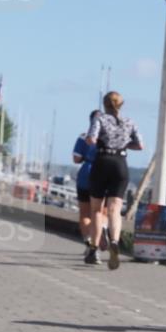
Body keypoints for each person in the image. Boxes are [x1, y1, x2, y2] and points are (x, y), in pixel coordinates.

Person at [85, 91, 144, 270]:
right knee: (114, 210)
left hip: (102, 162)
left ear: (105, 104)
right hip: (120, 164)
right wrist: (124, 144)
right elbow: (140, 145)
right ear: (121, 104)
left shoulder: (100, 119)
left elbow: (91, 139)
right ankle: (115, 241)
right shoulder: (130, 122)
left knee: (96, 210)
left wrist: (97, 141)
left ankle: (94, 249)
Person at [72, 110, 105, 263]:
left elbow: (76, 158)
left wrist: (86, 155)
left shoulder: (83, 136)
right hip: (104, 174)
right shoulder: (108, 137)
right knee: (99, 212)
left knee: (85, 214)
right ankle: (99, 236)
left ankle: (88, 243)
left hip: (86, 174)